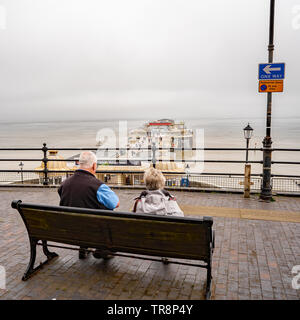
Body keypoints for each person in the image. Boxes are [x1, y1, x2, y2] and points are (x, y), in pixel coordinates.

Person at [58, 151, 119, 259]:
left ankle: (84, 245)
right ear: (94, 165)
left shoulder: (65, 184)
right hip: (94, 230)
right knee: (108, 212)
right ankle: (103, 248)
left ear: (79, 163)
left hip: (70, 229)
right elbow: (116, 203)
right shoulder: (98, 186)